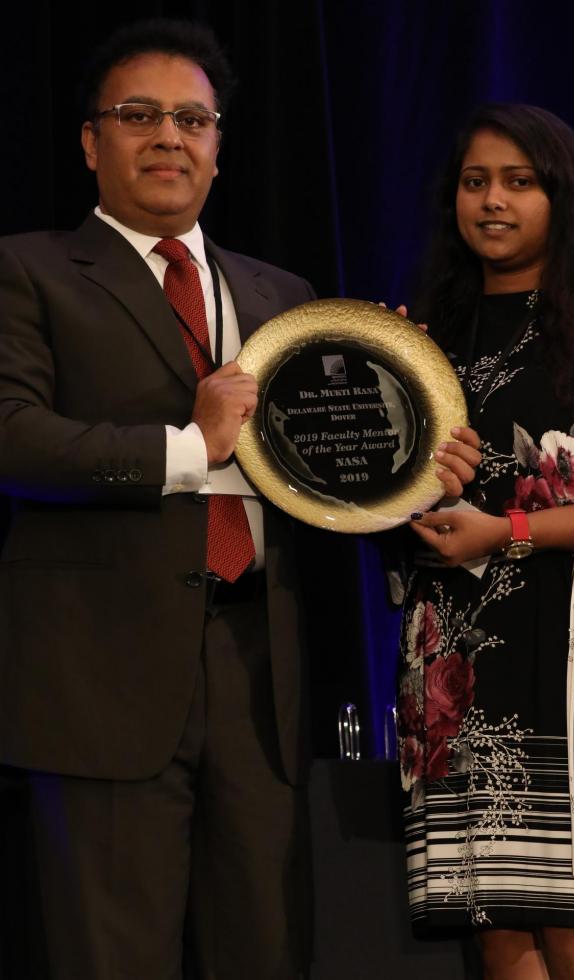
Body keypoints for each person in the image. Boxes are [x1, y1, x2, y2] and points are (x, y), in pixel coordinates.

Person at [0, 18, 315, 980]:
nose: (168, 137)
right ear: (92, 143)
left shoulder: (283, 295)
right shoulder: (29, 268)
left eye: (192, 119)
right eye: (139, 116)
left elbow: (323, 467)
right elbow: (13, 436)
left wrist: (415, 459)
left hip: (259, 671)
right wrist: (189, 449)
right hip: (101, 674)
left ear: (219, 148)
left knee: (260, 952)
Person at [396, 103, 574, 980]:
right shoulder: (424, 340)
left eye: (519, 182)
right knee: (500, 925)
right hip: (462, 655)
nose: (493, 201)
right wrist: (415, 500)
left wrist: (506, 527)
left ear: (564, 199)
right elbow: (378, 506)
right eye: (475, 182)